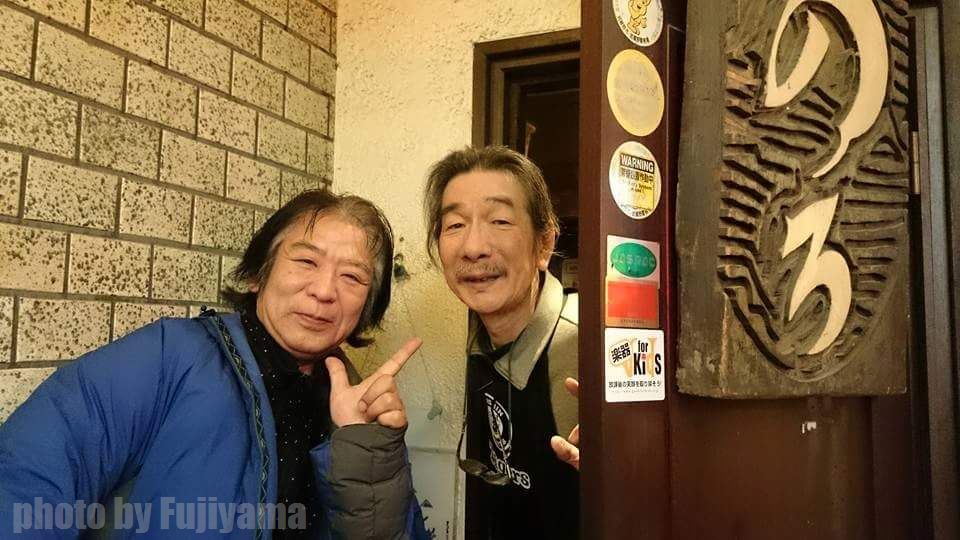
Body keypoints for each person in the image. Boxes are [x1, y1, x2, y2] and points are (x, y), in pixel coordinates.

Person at [0, 190, 428, 539]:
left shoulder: (359, 406)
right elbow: (25, 480)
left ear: (366, 307)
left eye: (352, 277)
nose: (324, 290)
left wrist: (370, 453)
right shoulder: (171, 355)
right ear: (258, 274)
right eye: (306, 261)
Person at [423, 146, 580, 540]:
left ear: (544, 245)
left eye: (500, 220)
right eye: (455, 225)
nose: (473, 247)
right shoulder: (480, 343)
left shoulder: (589, 346)